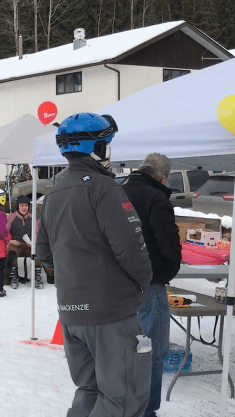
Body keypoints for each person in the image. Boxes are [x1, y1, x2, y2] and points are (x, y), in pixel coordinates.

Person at [37, 113, 153, 417]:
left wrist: (74, 277)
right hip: (110, 313)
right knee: (123, 397)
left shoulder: (53, 195)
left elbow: (45, 254)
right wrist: (142, 283)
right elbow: (131, 249)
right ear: (99, 148)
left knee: (89, 390)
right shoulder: (104, 188)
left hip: (71, 313)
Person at [122, 153, 182, 417]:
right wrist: (170, 268)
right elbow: (168, 242)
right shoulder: (156, 198)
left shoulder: (119, 192)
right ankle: (145, 411)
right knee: (152, 350)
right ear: (163, 176)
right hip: (149, 282)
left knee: (126, 348)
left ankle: (126, 406)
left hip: (118, 282)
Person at [5, 195, 46, 289]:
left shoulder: (32, 218)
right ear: (17, 206)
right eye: (22, 205)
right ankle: (14, 277)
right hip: (16, 244)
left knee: (38, 251)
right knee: (11, 252)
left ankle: (36, 277)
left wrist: (33, 242)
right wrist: (10, 241)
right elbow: (5, 232)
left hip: (29, 245)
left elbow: (36, 232)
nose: (24, 208)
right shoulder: (11, 217)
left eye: (26, 205)